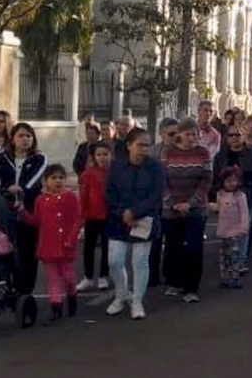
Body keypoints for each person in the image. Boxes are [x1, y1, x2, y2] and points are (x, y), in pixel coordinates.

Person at [105, 128, 165, 320]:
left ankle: (137, 301)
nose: (143, 150)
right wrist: (123, 212)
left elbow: (156, 195)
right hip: (119, 219)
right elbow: (110, 192)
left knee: (140, 261)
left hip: (144, 219)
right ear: (129, 145)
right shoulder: (116, 167)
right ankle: (121, 295)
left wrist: (136, 212)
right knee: (114, 260)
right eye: (140, 145)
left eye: (147, 145)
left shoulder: (156, 168)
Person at [20, 164, 82, 323]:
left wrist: (71, 238)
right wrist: (22, 212)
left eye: (61, 177)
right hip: (48, 246)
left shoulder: (70, 197)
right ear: (45, 181)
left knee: (68, 276)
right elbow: (36, 221)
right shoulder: (41, 200)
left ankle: (72, 295)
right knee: (53, 278)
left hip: (65, 245)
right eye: (53, 178)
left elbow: (77, 220)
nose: (58, 181)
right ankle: (56, 307)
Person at [160, 117, 213, 302]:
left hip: (195, 208)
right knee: (173, 246)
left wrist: (191, 203)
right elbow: (162, 179)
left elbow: (206, 179)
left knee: (194, 247)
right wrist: (173, 202)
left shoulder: (203, 153)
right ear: (180, 135)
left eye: (194, 134)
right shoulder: (169, 152)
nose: (191, 137)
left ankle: (191, 288)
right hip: (171, 208)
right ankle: (174, 282)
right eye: (188, 134)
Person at [0, 122, 48, 298]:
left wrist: (21, 192)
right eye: (21, 135)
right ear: (13, 138)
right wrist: (5, 191)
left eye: (28, 136)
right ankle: (8, 284)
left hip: (30, 211)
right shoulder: (2, 159)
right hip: (5, 210)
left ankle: (25, 290)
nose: (25, 139)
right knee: (5, 249)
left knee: (27, 251)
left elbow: (34, 181)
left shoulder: (40, 158)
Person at [211, 123, 252, 268]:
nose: (235, 138)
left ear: (243, 136)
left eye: (238, 135)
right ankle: (229, 261)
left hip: (247, 198)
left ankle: (241, 261)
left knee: (244, 231)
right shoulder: (220, 157)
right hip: (226, 200)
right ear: (227, 138)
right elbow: (216, 178)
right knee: (228, 231)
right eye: (231, 135)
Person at [77, 142, 112, 292]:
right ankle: (88, 277)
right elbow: (83, 197)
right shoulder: (87, 175)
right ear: (93, 157)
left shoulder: (115, 173)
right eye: (99, 155)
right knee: (88, 248)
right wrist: (82, 219)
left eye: (105, 154)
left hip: (110, 216)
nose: (102, 158)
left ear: (111, 155)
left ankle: (104, 276)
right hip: (92, 216)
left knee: (107, 247)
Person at [211, 166, 250, 289]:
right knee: (224, 256)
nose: (232, 183)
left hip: (236, 232)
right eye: (228, 181)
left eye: (234, 180)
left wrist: (244, 228)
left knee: (235, 255)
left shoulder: (240, 196)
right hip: (224, 231)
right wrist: (209, 206)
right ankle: (225, 278)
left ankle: (235, 278)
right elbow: (219, 208)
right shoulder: (220, 194)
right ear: (222, 182)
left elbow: (244, 213)